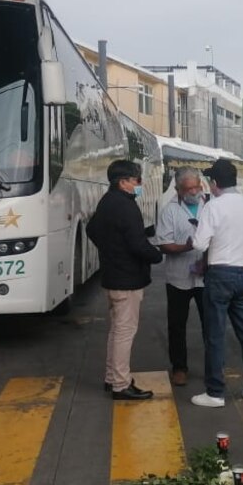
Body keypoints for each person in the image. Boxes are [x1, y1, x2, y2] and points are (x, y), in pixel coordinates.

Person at [189, 159, 243, 407]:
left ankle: (215, 393)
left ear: (214, 183)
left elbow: (199, 244)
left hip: (219, 274)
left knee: (215, 334)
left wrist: (204, 235)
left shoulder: (213, 207)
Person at [86, 159, 163, 400]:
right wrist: (157, 255)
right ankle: (121, 384)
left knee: (116, 331)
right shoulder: (126, 206)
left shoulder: (107, 202)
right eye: (136, 180)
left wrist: (110, 250)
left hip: (112, 275)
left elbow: (91, 230)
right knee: (124, 332)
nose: (139, 184)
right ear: (123, 182)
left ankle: (112, 378)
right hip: (127, 279)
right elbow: (137, 244)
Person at [155, 167, 207, 387]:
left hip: (207, 277)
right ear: (178, 190)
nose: (194, 191)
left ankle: (214, 366)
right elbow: (163, 246)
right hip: (178, 278)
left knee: (211, 324)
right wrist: (185, 247)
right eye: (189, 188)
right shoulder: (170, 211)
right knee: (177, 325)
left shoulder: (211, 206)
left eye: (197, 186)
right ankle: (179, 368)